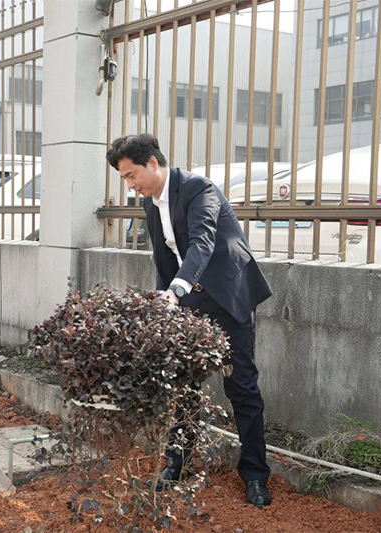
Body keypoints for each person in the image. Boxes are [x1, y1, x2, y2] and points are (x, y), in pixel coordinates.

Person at [106, 134, 273, 508]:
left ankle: (255, 476)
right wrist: (163, 301)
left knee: (242, 387)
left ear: (152, 163)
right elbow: (164, 261)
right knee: (183, 387)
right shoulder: (151, 203)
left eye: (132, 175)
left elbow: (202, 243)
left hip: (228, 299)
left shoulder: (199, 189)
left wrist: (176, 290)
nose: (131, 185)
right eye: (124, 179)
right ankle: (177, 465)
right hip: (187, 299)